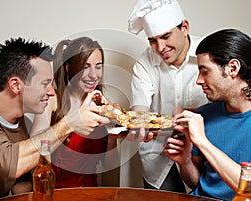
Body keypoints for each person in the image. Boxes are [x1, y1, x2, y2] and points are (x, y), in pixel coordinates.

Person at [0, 37, 111, 201]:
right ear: (15, 85)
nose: (51, 92)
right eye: (45, 83)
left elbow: (22, 185)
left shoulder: (21, 125)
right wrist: (70, 123)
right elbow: (8, 163)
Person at [31, 36, 152, 188]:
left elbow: (109, 165)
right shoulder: (51, 99)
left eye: (98, 66)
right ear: (69, 67)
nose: (93, 75)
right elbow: (34, 149)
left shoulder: (102, 105)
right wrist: (72, 123)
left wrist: (112, 137)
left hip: (91, 192)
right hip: (57, 192)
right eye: (85, 66)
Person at [127, 0, 208, 192]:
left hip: (202, 156)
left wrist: (188, 113)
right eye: (153, 40)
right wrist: (136, 123)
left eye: (166, 36)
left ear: (185, 27)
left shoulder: (209, 54)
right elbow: (140, 107)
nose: (160, 47)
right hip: (157, 158)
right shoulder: (145, 62)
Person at [164, 28, 251, 201]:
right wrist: (185, 161)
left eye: (205, 71)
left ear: (232, 68)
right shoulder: (205, 115)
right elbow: (197, 183)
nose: (199, 80)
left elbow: (248, 190)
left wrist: (202, 142)